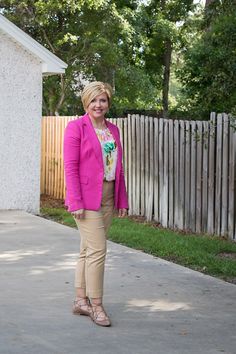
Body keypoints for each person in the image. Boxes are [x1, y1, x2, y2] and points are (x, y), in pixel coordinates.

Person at [63, 81, 128, 327]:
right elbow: (70, 168)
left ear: (108, 103)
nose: (98, 105)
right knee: (98, 250)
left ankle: (80, 300)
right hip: (86, 198)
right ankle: (97, 306)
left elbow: (117, 167)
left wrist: (121, 198)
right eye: (93, 100)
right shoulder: (75, 128)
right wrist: (76, 201)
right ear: (86, 103)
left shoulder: (113, 130)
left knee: (87, 250)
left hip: (109, 194)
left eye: (102, 100)